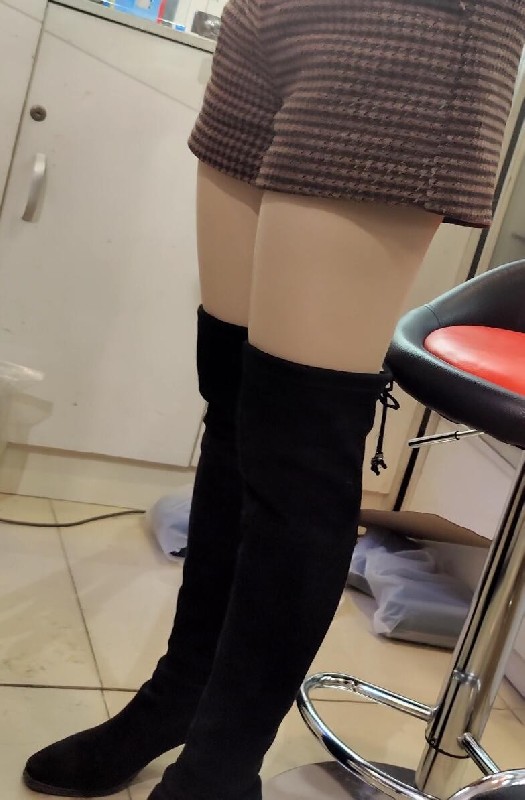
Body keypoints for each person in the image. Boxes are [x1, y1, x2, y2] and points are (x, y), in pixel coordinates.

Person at [23, 2, 525, 799]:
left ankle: (220, 770)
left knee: (298, 441)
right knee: (232, 398)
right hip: (264, 20)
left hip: (405, 26)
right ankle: (179, 695)